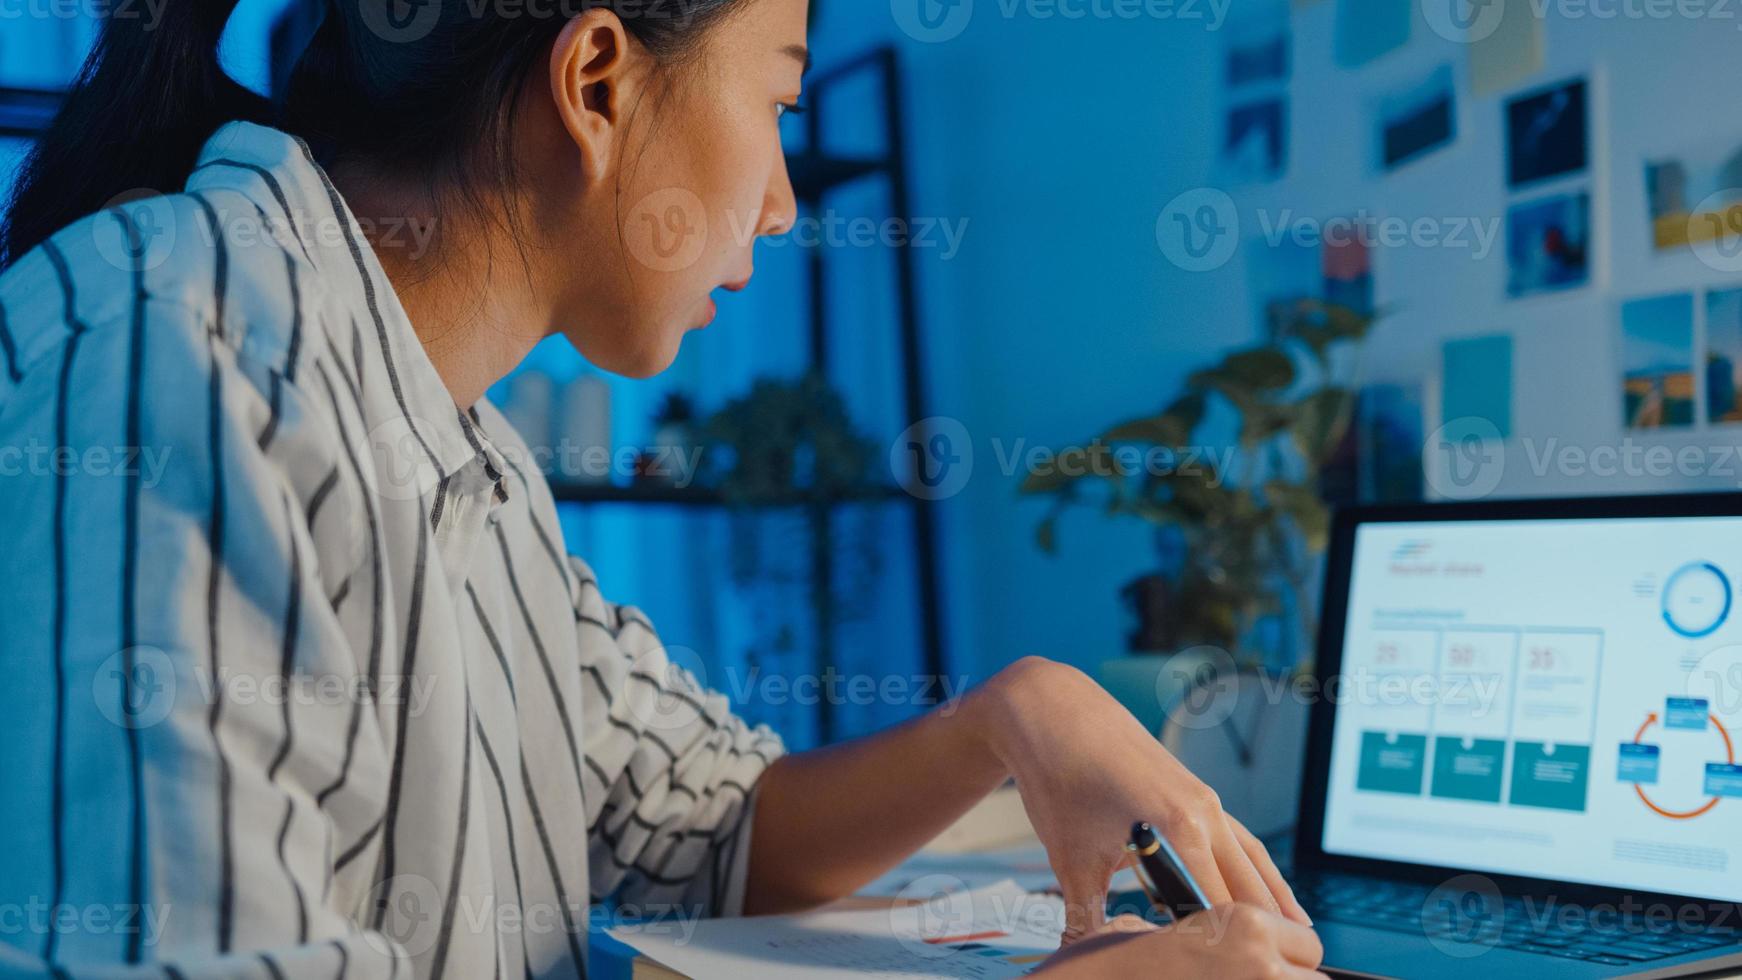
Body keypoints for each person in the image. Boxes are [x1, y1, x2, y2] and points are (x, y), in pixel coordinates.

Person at [0, 0, 1324, 976]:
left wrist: (1012, 716)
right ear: (595, 83)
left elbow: (719, 833)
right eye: (779, 106)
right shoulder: (178, 344)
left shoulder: (476, 464)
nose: (785, 203)